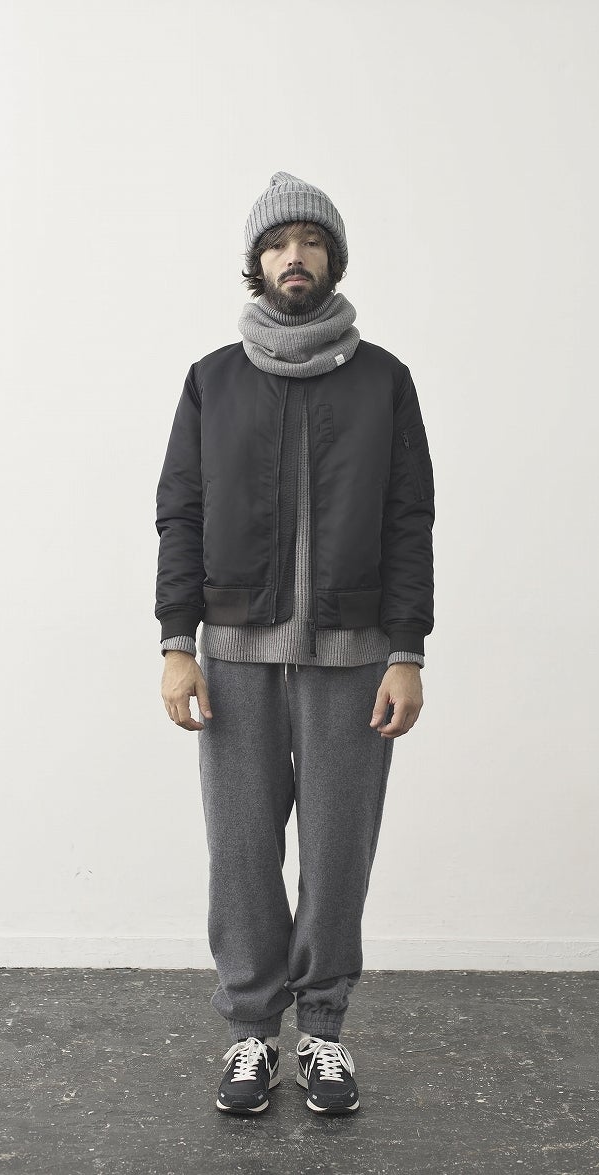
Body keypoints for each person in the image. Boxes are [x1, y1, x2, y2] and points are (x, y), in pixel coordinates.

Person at [155, 171, 435, 1116]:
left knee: (337, 853)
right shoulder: (212, 380)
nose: (294, 256)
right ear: (256, 263)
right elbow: (181, 514)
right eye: (278, 243)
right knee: (239, 853)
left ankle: (321, 1032)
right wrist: (175, 641)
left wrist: (407, 651)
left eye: (311, 241)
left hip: (356, 658)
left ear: (333, 258)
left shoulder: (384, 379)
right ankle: (249, 1032)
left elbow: (408, 518)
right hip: (233, 656)